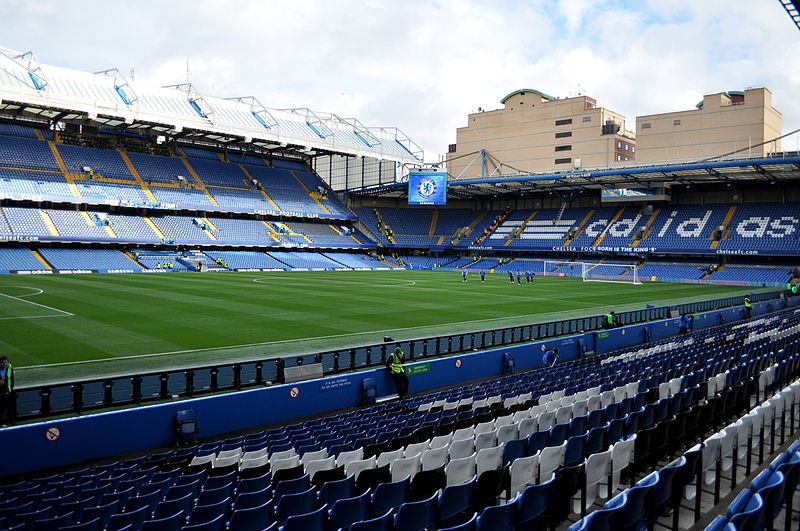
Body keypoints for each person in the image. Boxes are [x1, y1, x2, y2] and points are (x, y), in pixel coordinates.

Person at [0, 356, 14, 427]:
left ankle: (10, 422)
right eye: (3, 362)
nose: (5, 364)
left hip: (7, 391)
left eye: (6, 362)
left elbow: (12, 378)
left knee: (7, 408)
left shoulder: (9, 367)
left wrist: (11, 388)